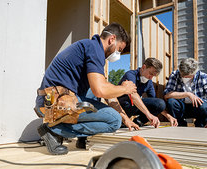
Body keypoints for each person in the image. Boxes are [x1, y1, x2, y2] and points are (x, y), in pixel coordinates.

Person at [35, 23, 136, 155]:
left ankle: (81, 138)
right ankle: (53, 130)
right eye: (119, 49)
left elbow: (107, 91)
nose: (118, 54)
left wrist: (126, 118)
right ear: (111, 39)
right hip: (52, 103)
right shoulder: (95, 49)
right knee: (114, 121)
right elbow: (100, 90)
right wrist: (124, 89)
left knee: (95, 90)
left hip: (52, 99)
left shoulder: (91, 47)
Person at [114, 58, 178, 130]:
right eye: (150, 74)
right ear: (144, 67)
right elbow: (133, 95)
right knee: (130, 101)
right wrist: (149, 115)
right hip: (122, 107)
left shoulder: (149, 82)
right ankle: (122, 121)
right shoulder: (130, 75)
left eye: (153, 76)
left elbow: (155, 102)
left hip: (135, 107)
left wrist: (169, 116)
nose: (151, 78)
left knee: (160, 103)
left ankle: (138, 122)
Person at [164, 58, 207, 128]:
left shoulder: (204, 77)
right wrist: (188, 94)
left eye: (187, 76)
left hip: (197, 108)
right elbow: (167, 95)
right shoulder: (175, 75)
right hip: (181, 108)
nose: (184, 77)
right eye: (182, 75)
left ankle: (201, 126)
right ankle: (180, 125)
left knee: (204, 106)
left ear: (194, 73)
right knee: (171, 102)